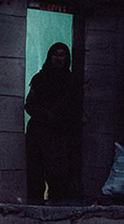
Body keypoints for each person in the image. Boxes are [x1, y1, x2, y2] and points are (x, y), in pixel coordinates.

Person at [24, 42, 81, 203]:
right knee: (35, 168)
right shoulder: (40, 78)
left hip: (59, 132)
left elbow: (73, 106)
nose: (58, 58)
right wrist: (44, 114)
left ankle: (57, 202)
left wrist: (55, 116)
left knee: (57, 170)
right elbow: (29, 104)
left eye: (62, 55)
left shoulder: (71, 81)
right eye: (55, 54)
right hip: (38, 131)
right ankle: (35, 203)